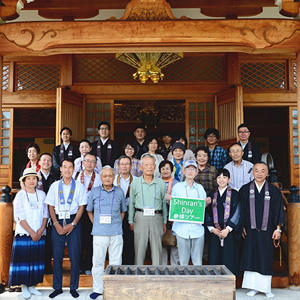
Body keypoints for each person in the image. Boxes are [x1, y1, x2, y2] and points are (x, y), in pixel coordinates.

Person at [239, 162, 284, 298]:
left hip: (268, 230)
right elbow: (240, 211)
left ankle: (266, 288)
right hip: (250, 230)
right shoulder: (245, 189)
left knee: (265, 257)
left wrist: (278, 229)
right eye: (256, 170)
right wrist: (241, 227)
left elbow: (278, 210)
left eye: (262, 170)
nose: (259, 173)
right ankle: (253, 288)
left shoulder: (273, 190)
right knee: (251, 257)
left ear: (267, 173)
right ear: (252, 172)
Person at [45, 159, 86, 299]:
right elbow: (50, 205)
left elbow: (82, 207)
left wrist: (73, 223)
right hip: (57, 220)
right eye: (65, 167)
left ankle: (74, 287)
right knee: (57, 256)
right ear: (60, 169)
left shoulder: (79, 186)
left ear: (73, 169)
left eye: (70, 167)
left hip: (73, 221)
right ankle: (57, 287)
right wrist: (55, 223)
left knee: (75, 256)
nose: (67, 170)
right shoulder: (54, 186)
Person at [87, 166, 127, 300]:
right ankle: (97, 289)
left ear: (114, 177)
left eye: (110, 176)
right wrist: (96, 223)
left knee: (116, 262)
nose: (108, 178)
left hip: (116, 232)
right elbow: (89, 210)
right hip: (99, 233)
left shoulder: (120, 192)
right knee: (98, 262)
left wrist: (115, 223)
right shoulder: (94, 191)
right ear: (101, 177)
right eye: (105, 176)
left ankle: (114, 289)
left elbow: (123, 211)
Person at [9, 168, 48, 299]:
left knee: (35, 259)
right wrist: (32, 232)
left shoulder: (42, 195)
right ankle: (24, 286)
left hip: (39, 233)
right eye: (28, 179)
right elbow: (19, 216)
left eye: (34, 178)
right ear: (24, 181)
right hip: (25, 233)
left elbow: (45, 214)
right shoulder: (20, 195)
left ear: (37, 180)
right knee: (24, 260)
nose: (32, 181)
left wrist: (41, 229)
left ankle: (32, 286)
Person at [129, 153, 167, 265]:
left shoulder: (160, 182)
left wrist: (165, 221)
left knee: (157, 250)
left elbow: (164, 203)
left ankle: (157, 277)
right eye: (146, 165)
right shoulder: (135, 182)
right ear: (141, 167)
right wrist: (130, 220)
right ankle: (138, 277)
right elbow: (131, 202)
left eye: (151, 165)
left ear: (155, 167)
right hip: (140, 217)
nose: (149, 167)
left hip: (157, 218)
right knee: (139, 250)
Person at [171, 160, 208, 266]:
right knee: (183, 262)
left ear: (197, 172)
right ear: (183, 171)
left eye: (193, 169)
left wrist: (207, 202)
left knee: (197, 262)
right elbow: (174, 206)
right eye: (188, 169)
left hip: (197, 229)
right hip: (181, 229)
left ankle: (197, 282)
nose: (190, 171)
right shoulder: (177, 187)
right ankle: (183, 282)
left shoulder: (200, 188)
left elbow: (202, 207)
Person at [205, 169, 240, 275]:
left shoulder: (234, 194)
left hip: (229, 233)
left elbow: (238, 211)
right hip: (215, 233)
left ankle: (229, 284)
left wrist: (228, 229)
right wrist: (211, 228)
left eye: (224, 177)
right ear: (216, 179)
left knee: (229, 258)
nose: (221, 180)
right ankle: (215, 284)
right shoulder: (212, 194)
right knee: (214, 258)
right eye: (219, 177)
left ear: (229, 179)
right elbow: (207, 212)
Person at [75, 153, 102, 275]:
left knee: (91, 239)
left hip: (93, 211)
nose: (90, 163)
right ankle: (78, 265)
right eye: (87, 161)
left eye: (92, 161)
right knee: (78, 239)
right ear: (83, 163)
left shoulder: (99, 177)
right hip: (79, 210)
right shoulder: (76, 175)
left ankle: (88, 266)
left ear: (96, 164)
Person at [36, 153, 60, 274]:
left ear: (52, 163)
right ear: (39, 162)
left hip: (51, 214)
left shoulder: (55, 177)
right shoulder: (34, 177)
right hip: (37, 213)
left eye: (49, 160)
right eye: (44, 160)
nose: (46, 162)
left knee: (50, 241)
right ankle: (38, 266)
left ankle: (47, 266)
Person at [114, 155, 136, 265]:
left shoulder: (136, 180)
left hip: (131, 213)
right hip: (116, 214)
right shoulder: (113, 179)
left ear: (131, 166)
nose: (124, 166)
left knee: (130, 241)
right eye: (122, 164)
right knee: (117, 240)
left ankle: (130, 266)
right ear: (118, 166)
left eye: (127, 164)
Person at [159, 160, 179, 265]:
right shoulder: (156, 182)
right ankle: (163, 269)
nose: (165, 171)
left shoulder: (178, 184)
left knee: (175, 244)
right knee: (161, 244)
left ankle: (175, 269)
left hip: (174, 217)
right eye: (163, 169)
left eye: (167, 168)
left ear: (171, 170)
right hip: (160, 216)